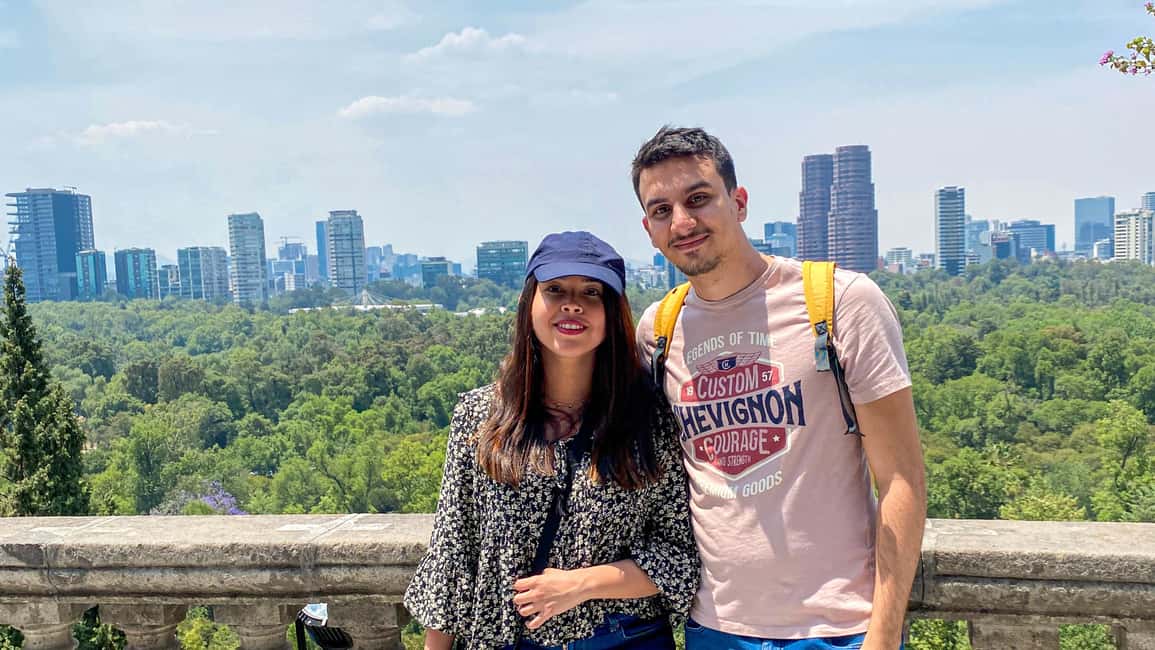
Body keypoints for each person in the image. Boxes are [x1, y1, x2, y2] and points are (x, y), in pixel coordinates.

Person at [631, 126, 927, 650]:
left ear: (738, 202)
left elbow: (901, 477)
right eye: (662, 210)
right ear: (649, 229)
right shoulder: (659, 329)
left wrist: (881, 637)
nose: (682, 221)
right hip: (716, 628)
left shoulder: (841, 302)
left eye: (698, 199)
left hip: (838, 628)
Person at [404, 231, 700, 650]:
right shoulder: (480, 416)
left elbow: (678, 556)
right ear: (531, 304)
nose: (572, 304)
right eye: (555, 289)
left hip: (623, 636)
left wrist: (581, 585)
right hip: (508, 638)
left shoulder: (648, 419)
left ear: (612, 312)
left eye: (591, 292)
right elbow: (454, 554)